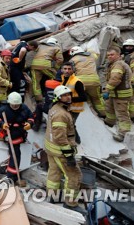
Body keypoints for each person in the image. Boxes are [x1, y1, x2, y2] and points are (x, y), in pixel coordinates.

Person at [45, 85, 85, 214]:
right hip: (61, 151)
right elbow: (60, 137)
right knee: (74, 176)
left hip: (51, 149)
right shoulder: (61, 114)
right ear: (58, 97)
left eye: (69, 94)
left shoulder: (55, 109)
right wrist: (69, 156)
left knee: (54, 172)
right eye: (64, 95)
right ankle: (71, 203)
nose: (68, 97)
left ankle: (52, 196)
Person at [0, 92, 33, 182]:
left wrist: (30, 123)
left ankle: (9, 170)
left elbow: (31, 116)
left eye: (17, 105)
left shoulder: (24, 108)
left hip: (21, 132)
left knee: (14, 154)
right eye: (13, 105)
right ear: (9, 103)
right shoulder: (4, 109)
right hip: (11, 134)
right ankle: (12, 176)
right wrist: (1, 124)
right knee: (15, 155)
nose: (15, 107)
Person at [103, 47, 133, 142]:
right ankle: (110, 122)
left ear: (118, 55)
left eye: (112, 55)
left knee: (122, 114)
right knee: (109, 108)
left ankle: (123, 134)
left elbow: (115, 79)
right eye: (108, 55)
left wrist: (107, 90)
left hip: (121, 95)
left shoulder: (118, 65)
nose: (109, 57)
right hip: (115, 93)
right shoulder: (113, 64)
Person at [69, 46, 106, 118]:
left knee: (85, 98)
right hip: (94, 81)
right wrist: (89, 49)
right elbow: (96, 54)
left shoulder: (72, 60)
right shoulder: (91, 56)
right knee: (97, 98)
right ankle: (104, 114)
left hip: (80, 82)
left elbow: (71, 71)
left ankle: (91, 114)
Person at [61, 62, 87, 144]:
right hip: (67, 107)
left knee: (70, 125)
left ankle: (76, 141)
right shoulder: (63, 79)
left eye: (69, 69)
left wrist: (69, 100)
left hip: (75, 108)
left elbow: (84, 97)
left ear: (73, 70)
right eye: (65, 69)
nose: (67, 71)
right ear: (62, 70)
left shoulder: (77, 82)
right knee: (69, 124)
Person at [30, 37, 63, 102]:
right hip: (45, 65)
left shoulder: (41, 46)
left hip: (34, 65)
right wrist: (55, 67)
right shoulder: (56, 48)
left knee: (36, 83)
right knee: (56, 78)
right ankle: (58, 94)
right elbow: (60, 60)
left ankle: (39, 99)